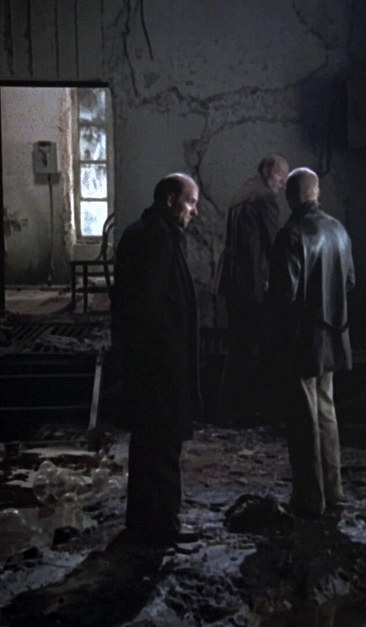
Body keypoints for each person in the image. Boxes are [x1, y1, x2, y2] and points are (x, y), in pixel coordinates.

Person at [110, 172, 202, 548]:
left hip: (149, 364)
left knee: (147, 445)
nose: (194, 211)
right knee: (163, 446)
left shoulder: (144, 233)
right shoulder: (158, 239)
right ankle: (163, 526)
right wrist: (165, 361)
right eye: (190, 202)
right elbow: (150, 308)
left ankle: (141, 522)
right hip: (160, 367)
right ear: (170, 200)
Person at [266, 167, 355, 518]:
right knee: (326, 413)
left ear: (290, 197)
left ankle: (310, 498)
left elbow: (283, 297)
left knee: (303, 421)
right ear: (317, 192)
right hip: (334, 335)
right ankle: (334, 490)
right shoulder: (339, 230)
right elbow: (349, 282)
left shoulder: (291, 235)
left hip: (302, 341)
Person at [216, 153, 290, 426]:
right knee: (267, 348)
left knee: (239, 349)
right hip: (252, 285)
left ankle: (230, 410)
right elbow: (274, 247)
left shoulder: (243, 192)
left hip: (234, 283)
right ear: (268, 171)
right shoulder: (265, 198)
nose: (283, 183)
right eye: (281, 175)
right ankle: (261, 409)